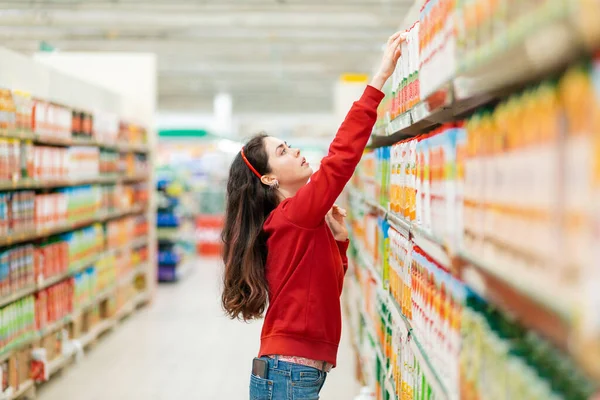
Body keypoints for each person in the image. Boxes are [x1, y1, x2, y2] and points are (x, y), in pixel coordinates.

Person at [221, 31, 405, 400]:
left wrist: (337, 244)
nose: (297, 151)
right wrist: (378, 80)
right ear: (269, 177)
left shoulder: (296, 220)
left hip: (291, 371)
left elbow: (321, 289)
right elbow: (340, 161)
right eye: (284, 151)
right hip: (289, 372)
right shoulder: (293, 215)